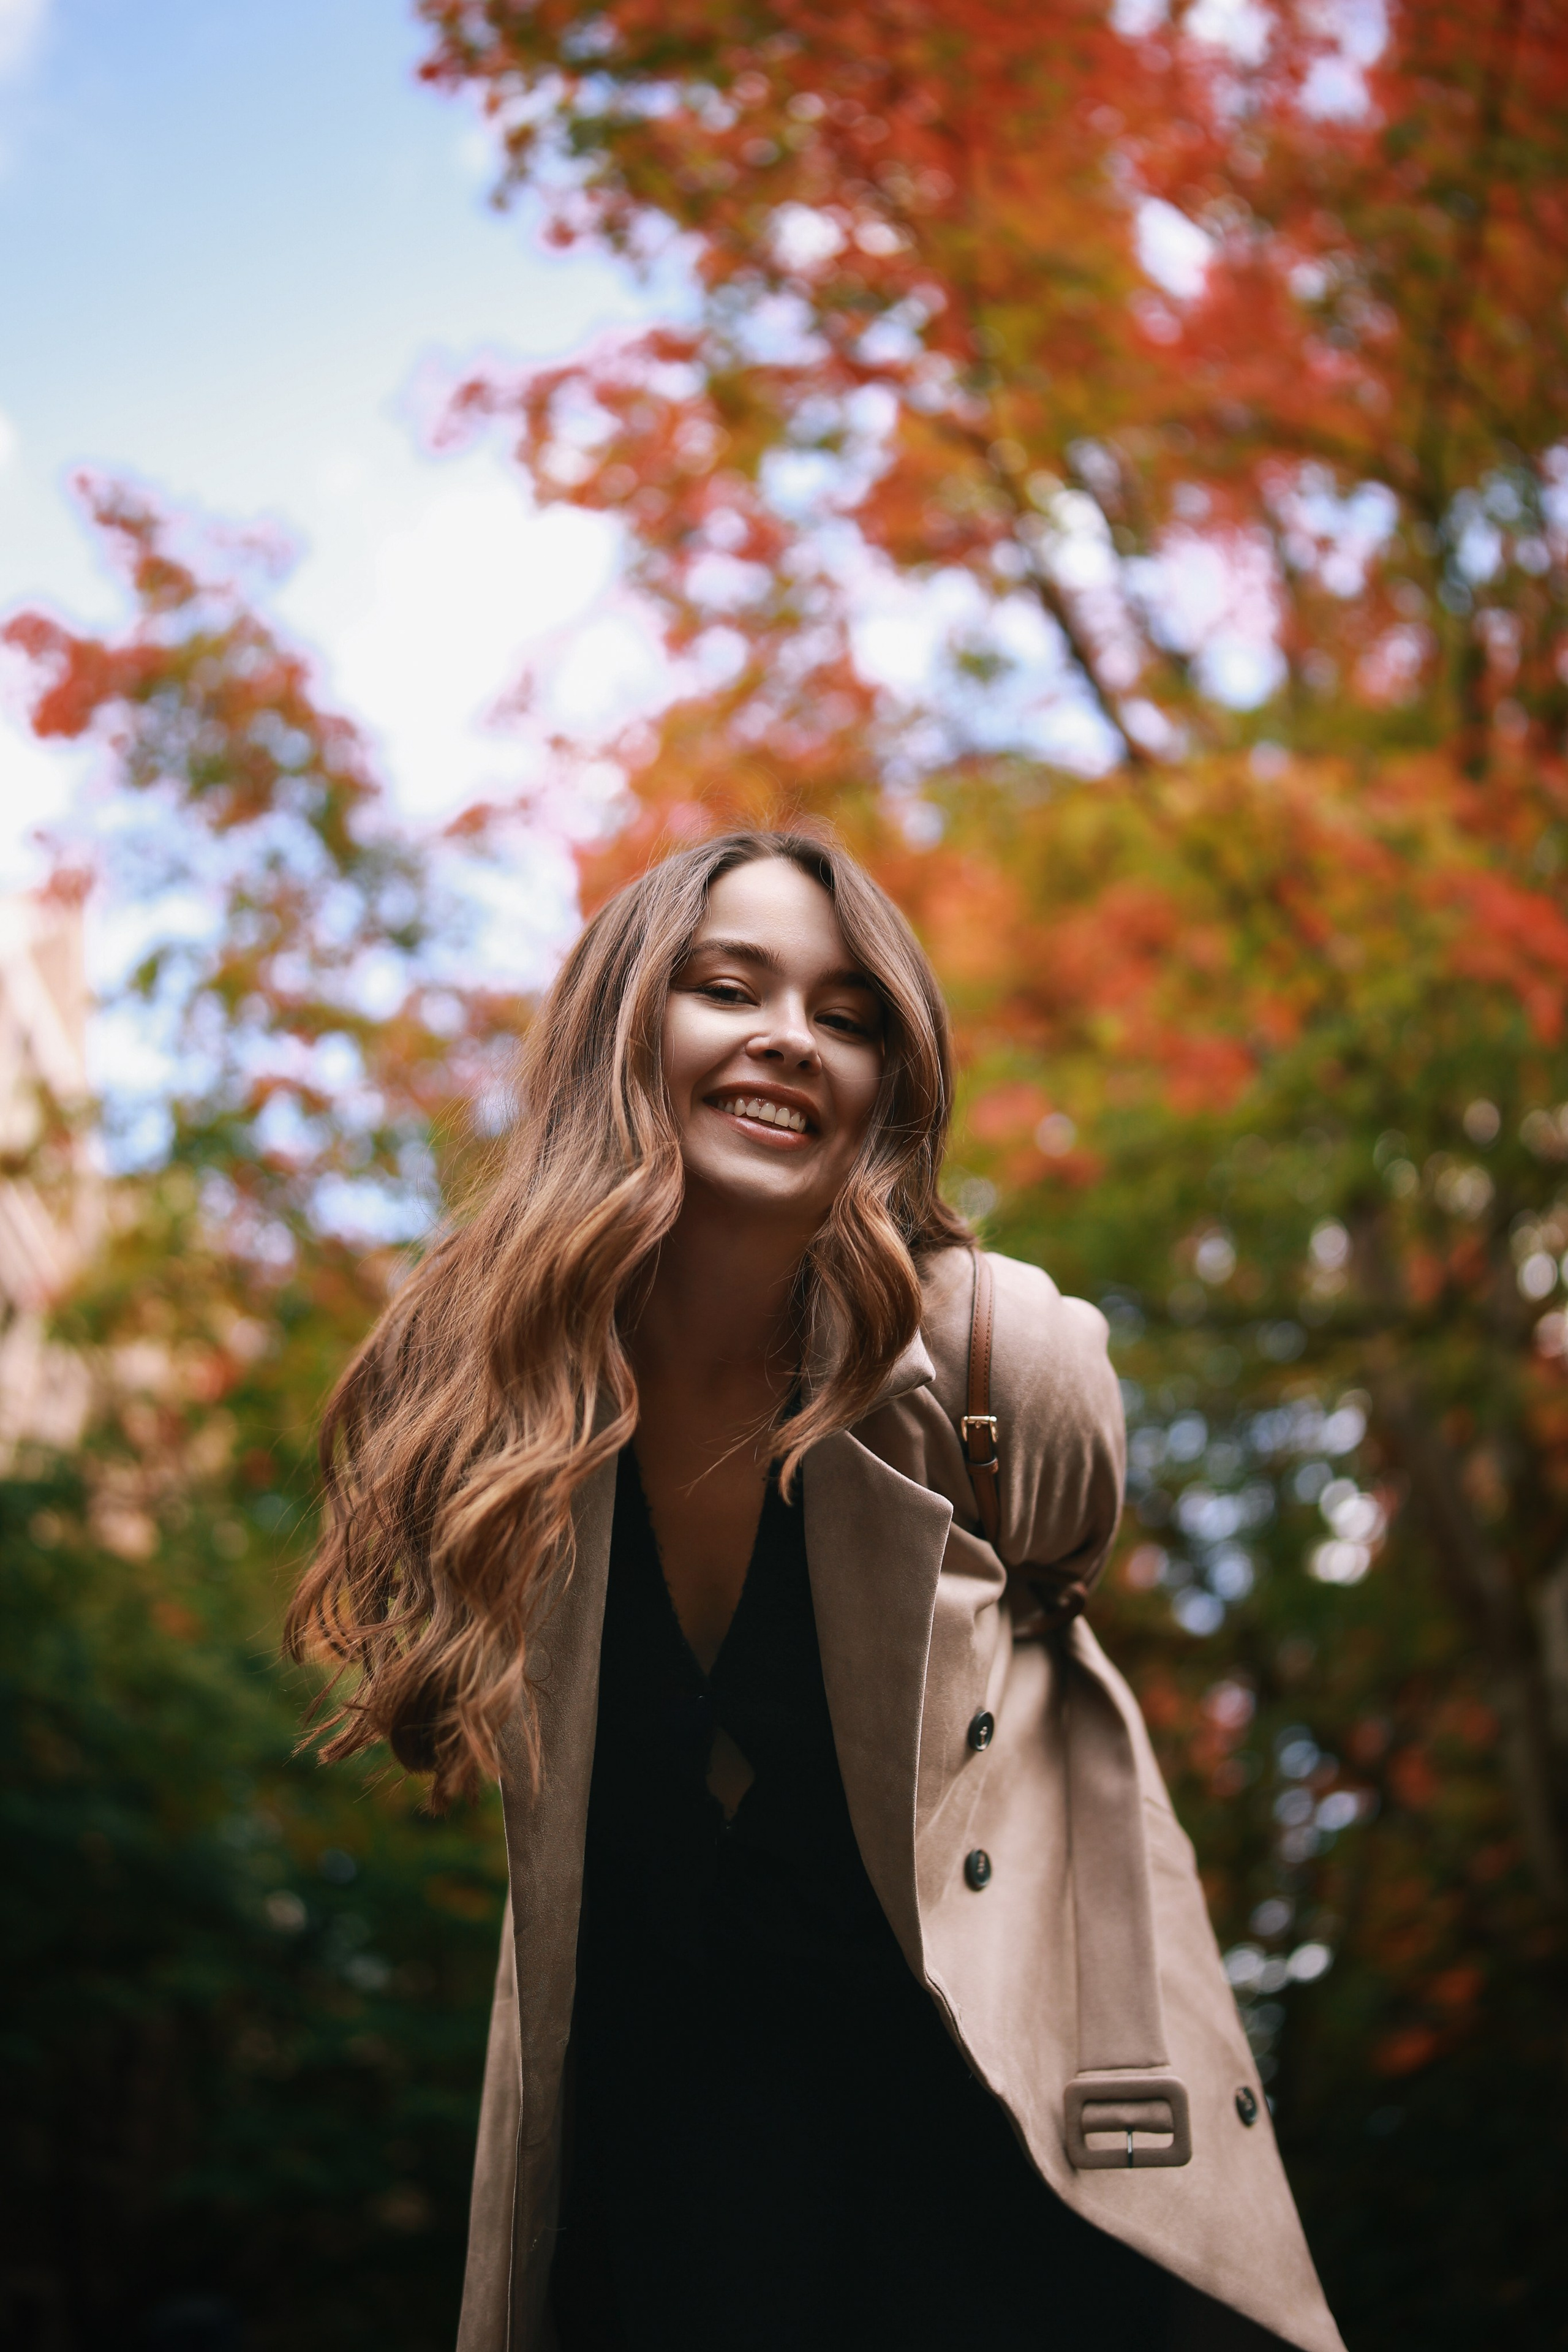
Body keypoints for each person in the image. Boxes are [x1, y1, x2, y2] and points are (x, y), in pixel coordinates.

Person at [288, 831, 1343, 2352]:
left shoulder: (996, 1364)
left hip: (1001, 2204)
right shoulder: (499, 1417)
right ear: (620, 1031)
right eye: (728, 987)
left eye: (847, 1016)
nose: (791, 1035)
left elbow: (1066, 1568)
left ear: (885, 1085)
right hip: (661, 2227)